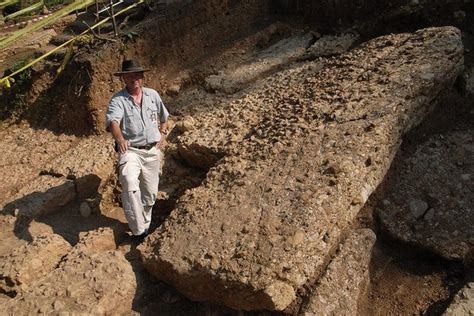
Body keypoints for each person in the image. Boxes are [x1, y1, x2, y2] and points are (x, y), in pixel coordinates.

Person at [105, 59, 169, 238]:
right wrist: (120, 139)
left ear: (142, 77)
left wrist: (162, 133)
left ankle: (145, 226)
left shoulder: (152, 95)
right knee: (128, 180)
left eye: (138, 75)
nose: (135, 78)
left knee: (150, 195)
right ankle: (139, 231)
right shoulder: (118, 100)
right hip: (131, 151)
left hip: (152, 151)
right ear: (124, 78)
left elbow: (164, 117)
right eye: (130, 75)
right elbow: (113, 122)